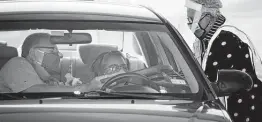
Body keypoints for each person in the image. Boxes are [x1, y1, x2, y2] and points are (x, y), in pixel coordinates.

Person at [185, 0, 262, 121]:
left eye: (192, 20)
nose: (190, 25)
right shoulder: (202, 41)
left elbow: (208, 84)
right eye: (188, 20)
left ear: (209, 17)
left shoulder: (227, 39)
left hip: (241, 113)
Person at [0, 33, 102, 93]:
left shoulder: (43, 75)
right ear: (33, 53)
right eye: (52, 50)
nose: (60, 55)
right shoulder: (17, 64)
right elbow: (37, 91)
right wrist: (85, 88)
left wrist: (66, 86)